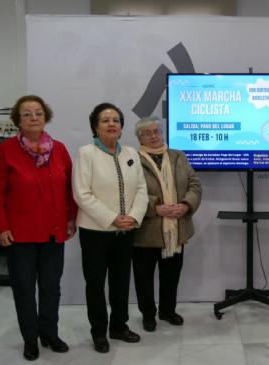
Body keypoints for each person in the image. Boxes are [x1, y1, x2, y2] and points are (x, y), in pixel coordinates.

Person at [0, 95, 77, 361]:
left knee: (51, 288)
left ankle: (49, 333)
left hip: (53, 232)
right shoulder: (6, 150)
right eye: (27, 114)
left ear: (45, 116)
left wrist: (70, 218)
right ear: (18, 119)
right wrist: (1, 227)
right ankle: (30, 339)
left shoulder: (59, 149)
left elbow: (69, 188)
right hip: (20, 235)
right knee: (24, 289)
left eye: (38, 113)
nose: (34, 118)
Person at [73, 102, 148, 353]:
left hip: (125, 232)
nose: (112, 124)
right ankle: (99, 332)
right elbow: (82, 194)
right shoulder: (86, 153)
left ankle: (119, 326)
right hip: (95, 232)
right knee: (95, 285)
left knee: (120, 282)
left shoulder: (131, 153)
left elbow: (141, 190)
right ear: (95, 126)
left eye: (116, 120)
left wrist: (133, 217)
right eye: (105, 120)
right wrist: (112, 218)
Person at [132, 116, 202, 332]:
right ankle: (148, 315)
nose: (153, 136)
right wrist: (155, 207)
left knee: (171, 274)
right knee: (143, 278)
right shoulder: (132, 159)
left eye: (156, 131)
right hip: (146, 232)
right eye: (147, 133)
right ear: (139, 137)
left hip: (176, 228)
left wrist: (185, 205)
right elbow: (130, 191)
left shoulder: (178, 156)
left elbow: (195, 185)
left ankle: (167, 311)